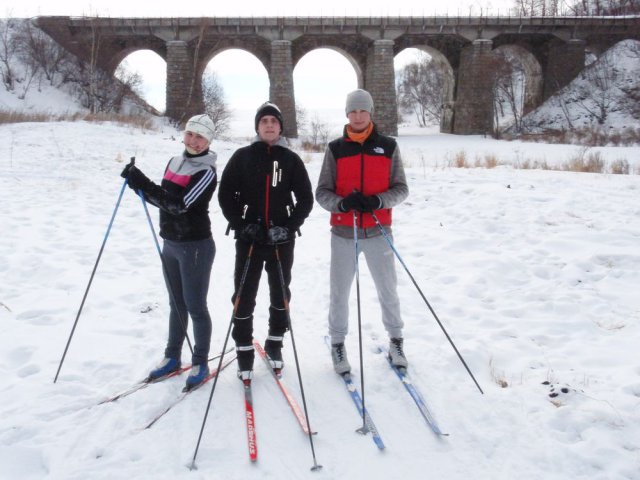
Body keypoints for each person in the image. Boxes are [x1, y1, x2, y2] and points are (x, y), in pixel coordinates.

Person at [315, 89, 410, 375]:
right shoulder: (336, 148)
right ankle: (338, 344)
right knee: (339, 292)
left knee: (388, 290)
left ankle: (396, 340)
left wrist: (379, 201)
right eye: (353, 111)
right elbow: (322, 192)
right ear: (347, 114)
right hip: (344, 232)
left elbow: (401, 188)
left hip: (379, 230)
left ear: (370, 113)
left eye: (362, 111)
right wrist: (342, 204)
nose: (357, 116)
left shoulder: (388, 146)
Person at [120, 114, 218, 390]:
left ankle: (200, 361)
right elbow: (163, 199)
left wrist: (142, 184)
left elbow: (179, 205)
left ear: (208, 141)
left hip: (195, 246)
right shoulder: (174, 162)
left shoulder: (206, 171)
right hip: (171, 244)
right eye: (190, 134)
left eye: (200, 137)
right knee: (176, 303)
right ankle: (172, 357)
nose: (194, 141)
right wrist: (137, 184)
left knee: (195, 306)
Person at [218, 102, 313, 381]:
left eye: (274, 121)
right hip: (250, 238)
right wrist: (242, 225)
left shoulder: (291, 159)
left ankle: (274, 342)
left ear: (280, 127)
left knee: (280, 293)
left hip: (280, 240)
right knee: (244, 294)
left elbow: (305, 199)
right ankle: (244, 347)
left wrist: (288, 227)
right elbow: (226, 196)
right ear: (257, 127)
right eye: (264, 121)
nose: (269, 125)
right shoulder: (242, 157)